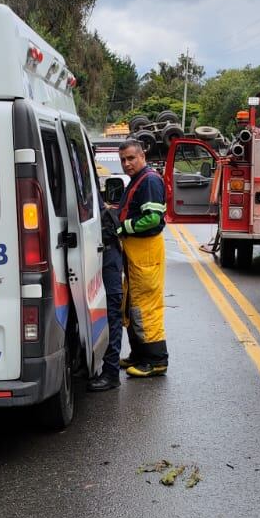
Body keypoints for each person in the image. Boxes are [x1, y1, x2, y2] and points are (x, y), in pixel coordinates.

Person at [114, 139, 168, 377]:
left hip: (146, 252)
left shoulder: (150, 181)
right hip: (136, 253)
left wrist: (122, 227)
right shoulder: (138, 180)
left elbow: (152, 219)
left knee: (145, 307)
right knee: (132, 304)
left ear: (142, 157)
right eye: (123, 160)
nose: (127, 164)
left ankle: (156, 361)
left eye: (131, 158)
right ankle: (139, 354)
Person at [87, 182, 124, 392]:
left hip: (107, 254)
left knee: (111, 312)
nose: (126, 164)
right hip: (101, 254)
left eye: (130, 158)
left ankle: (111, 373)